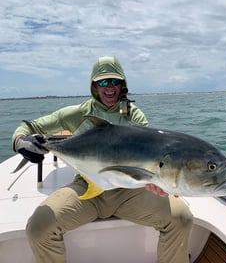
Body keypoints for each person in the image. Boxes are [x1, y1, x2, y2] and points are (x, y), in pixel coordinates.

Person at [12, 56, 193, 263]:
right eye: (103, 82)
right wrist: (21, 141)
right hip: (87, 185)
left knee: (181, 218)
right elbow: (29, 127)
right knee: (39, 227)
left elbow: (151, 160)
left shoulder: (135, 117)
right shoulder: (79, 113)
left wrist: (161, 183)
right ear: (94, 85)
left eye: (114, 81)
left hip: (130, 190)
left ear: (122, 84)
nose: (109, 87)